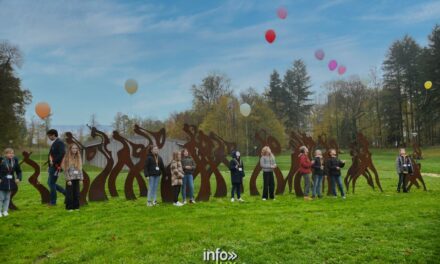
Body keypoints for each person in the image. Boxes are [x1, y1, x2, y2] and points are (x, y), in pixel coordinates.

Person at [0, 148, 22, 217]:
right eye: (9, 153)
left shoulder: (15, 161)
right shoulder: (1, 161)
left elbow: (19, 171)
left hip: (11, 182)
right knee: (1, 198)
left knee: (7, 197)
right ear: (5, 154)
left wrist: (18, 178)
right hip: (2, 181)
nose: (11, 154)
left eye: (12, 153)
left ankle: (5, 211)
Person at [47, 129, 66, 205]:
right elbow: (51, 155)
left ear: (53, 135)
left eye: (49, 136)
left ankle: (53, 202)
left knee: (51, 183)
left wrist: (54, 162)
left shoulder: (59, 142)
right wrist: (49, 165)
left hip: (56, 166)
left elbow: (62, 154)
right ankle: (66, 193)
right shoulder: (54, 143)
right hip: (52, 166)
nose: (48, 137)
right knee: (51, 183)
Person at [62, 144, 83, 211]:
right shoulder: (66, 158)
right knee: (69, 194)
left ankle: (76, 207)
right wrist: (68, 180)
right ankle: (69, 207)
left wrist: (81, 179)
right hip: (70, 179)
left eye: (76, 148)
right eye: (73, 148)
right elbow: (65, 170)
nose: (75, 150)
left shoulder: (78, 157)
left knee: (76, 193)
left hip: (77, 178)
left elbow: (80, 169)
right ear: (70, 149)